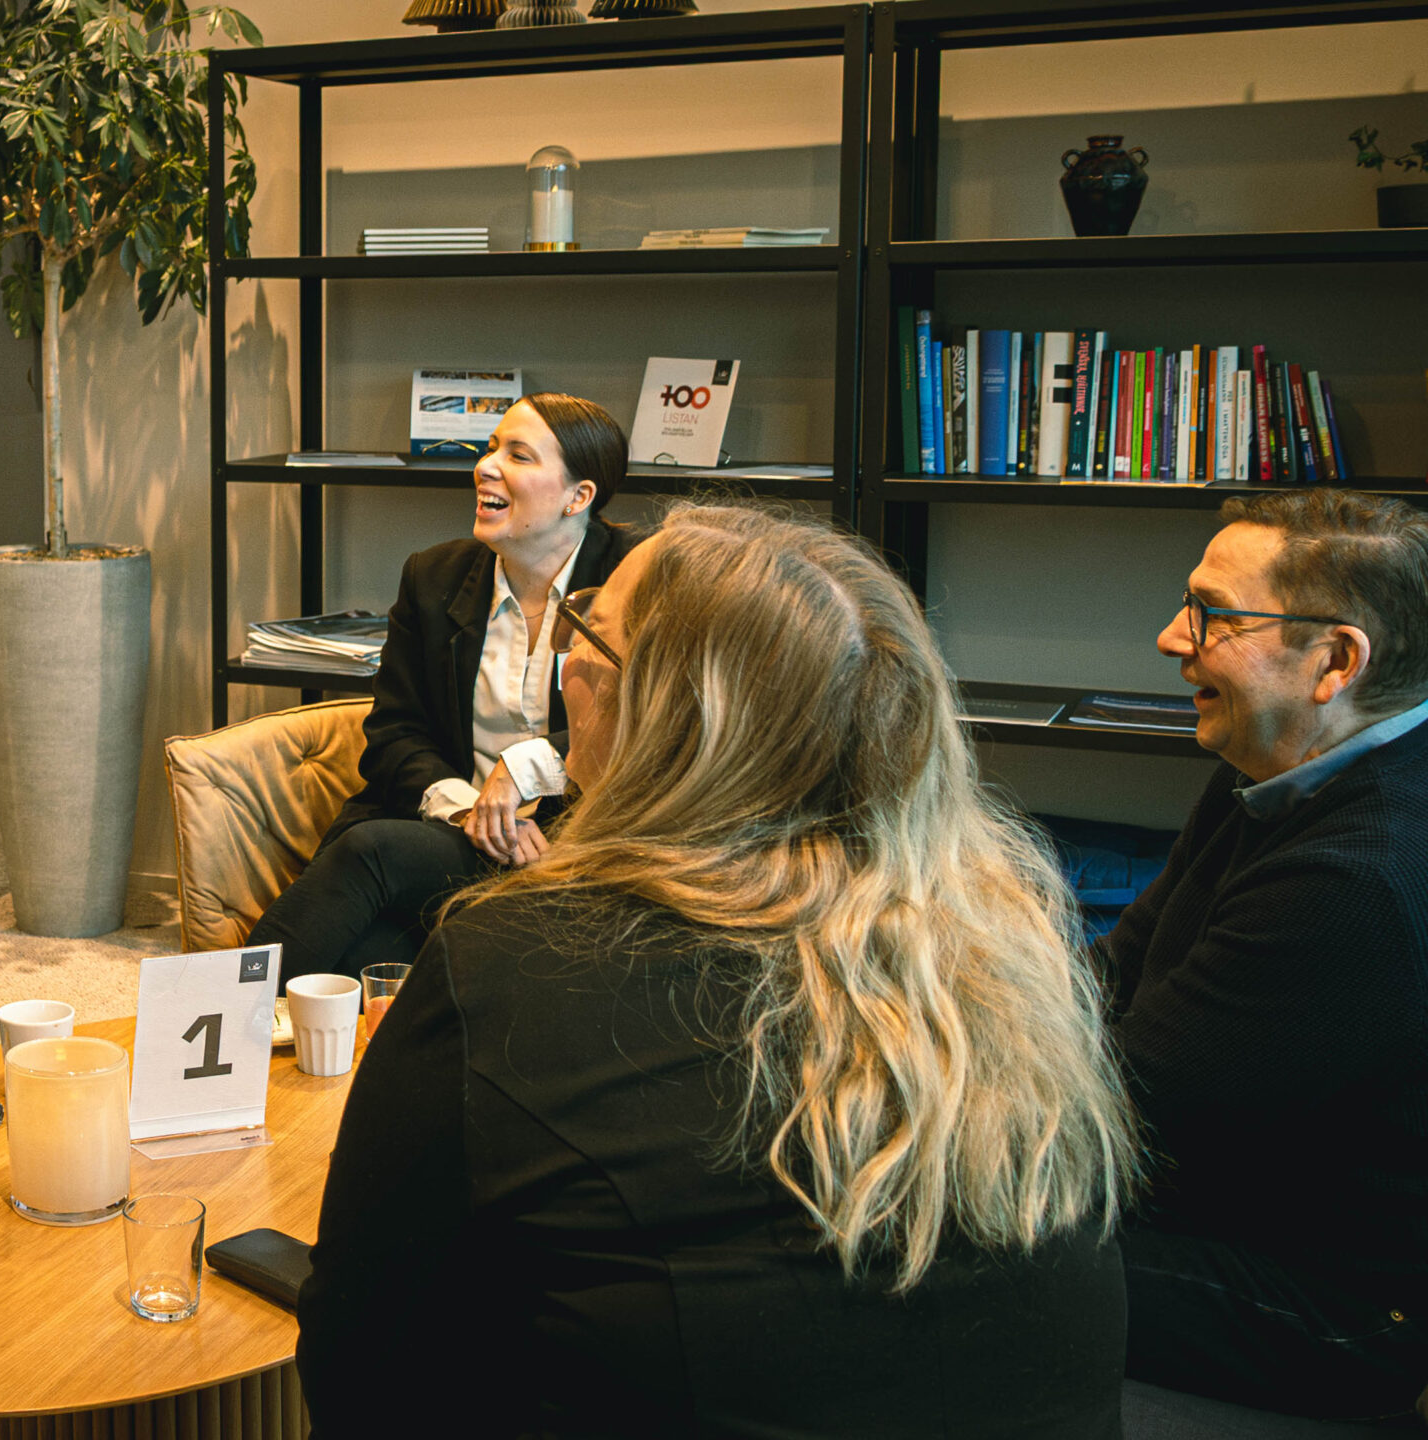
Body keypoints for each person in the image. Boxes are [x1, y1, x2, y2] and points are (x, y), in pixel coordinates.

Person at [299, 503, 1139, 1438]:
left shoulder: (514, 965)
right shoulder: (1009, 952)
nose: (567, 666)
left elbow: (358, 1374)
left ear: (672, 720)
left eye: (587, 637)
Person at [1105, 488, 1428, 1421]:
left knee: (912, 1238)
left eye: (1213, 616)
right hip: (1209, 1191)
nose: (1173, 637)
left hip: (1333, 1309)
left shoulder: (1357, 879)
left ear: (1334, 661)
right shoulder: (1276, 762)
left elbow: (1125, 1117)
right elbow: (1117, 970)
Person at [243, 394, 637, 986]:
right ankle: (217, 1026)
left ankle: (217, 1007)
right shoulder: (433, 576)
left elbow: (655, 718)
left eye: (518, 455)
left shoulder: (639, 579)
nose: (485, 466)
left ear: (577, 497)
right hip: (455, 832)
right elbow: (395, 735)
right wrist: (473, 812)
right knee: (360, 958)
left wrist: (526, 766)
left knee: (371, 866)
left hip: (576, 844)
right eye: (492, 447)